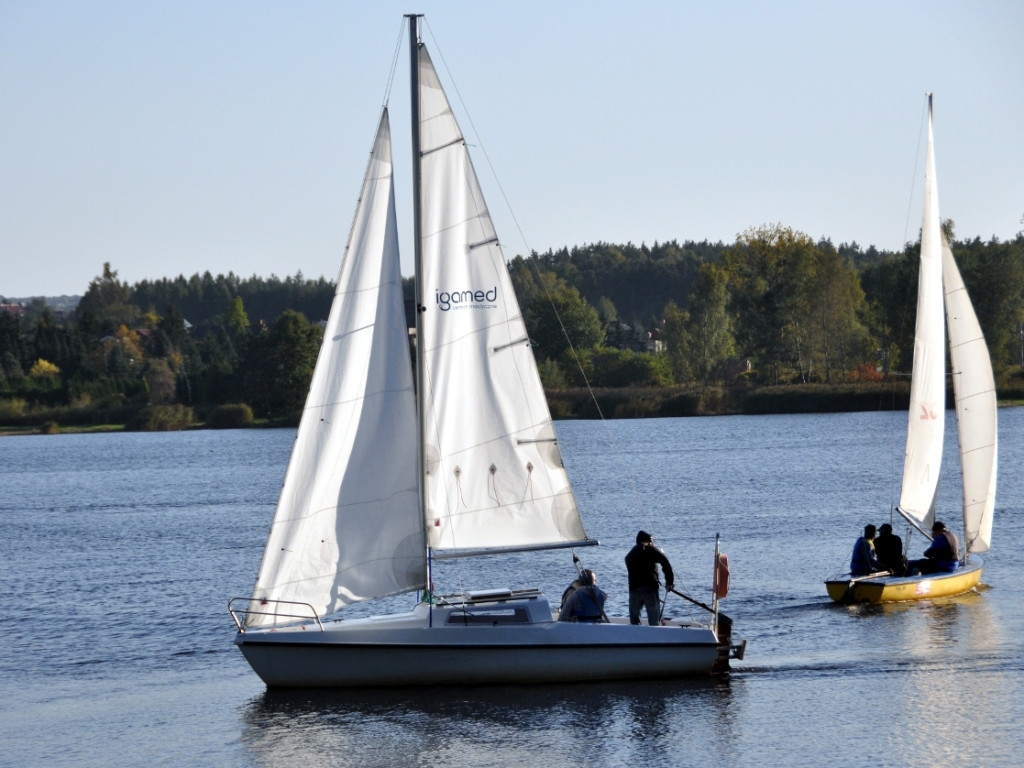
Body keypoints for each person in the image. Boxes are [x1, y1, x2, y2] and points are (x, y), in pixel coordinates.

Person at [625, 530, 674, 626]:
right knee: (653, 621)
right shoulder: (650, 549)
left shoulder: (631, 553)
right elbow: (665, 562)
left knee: (634, 621)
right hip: (650, 589)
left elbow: (627, 561)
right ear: (649, 541)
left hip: (634, 590)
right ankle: (655, 638)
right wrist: (669, 582)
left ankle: (636, 639)